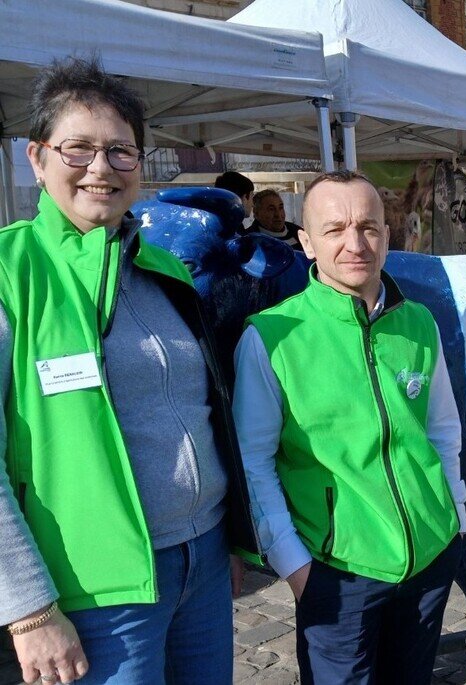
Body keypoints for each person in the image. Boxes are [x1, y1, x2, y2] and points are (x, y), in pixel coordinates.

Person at [0, 57, 258, 684]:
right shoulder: (13, 272)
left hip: (200, 561)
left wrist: (227, 539)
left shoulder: (165, 272)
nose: (100, 169)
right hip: (93, 590)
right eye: (78, 149)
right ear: (37, 158)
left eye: (121, 152)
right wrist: (29, 610)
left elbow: (203, 411)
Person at [233, 170, 466, 684]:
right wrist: (294, 565)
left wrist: (457, 517)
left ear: (387, 234)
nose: (354, 243)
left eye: (368, 227)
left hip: (429, 554)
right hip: (338, 570)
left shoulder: (419, 322)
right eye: (335, 229)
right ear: (307, 242)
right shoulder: (272, 338)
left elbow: (442, 430)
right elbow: (254, 461)